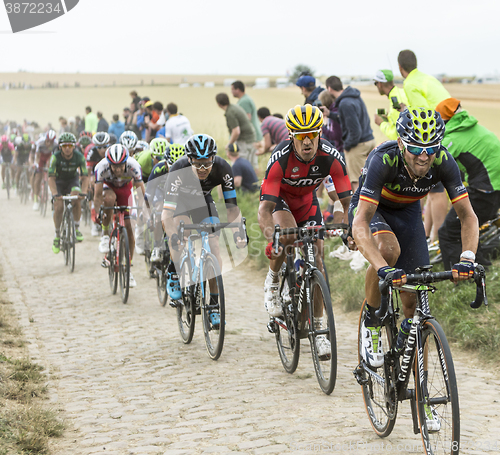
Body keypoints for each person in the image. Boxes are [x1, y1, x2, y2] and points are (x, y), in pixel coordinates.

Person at [349, 108, 478, 373]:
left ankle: (424, 395)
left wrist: (468, 258)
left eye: (431, 149)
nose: (424, 156)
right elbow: (360, 221)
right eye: (415, 148)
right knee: (387, 250)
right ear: (400, 143)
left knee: (415, 305)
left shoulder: (443, 160)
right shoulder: (383, 160)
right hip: (373, 209)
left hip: (408, 213)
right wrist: (383, 268)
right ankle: (372, 323)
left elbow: (468, 216)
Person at [258, 105, 352, 339]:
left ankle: (319, 329)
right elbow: (264, 210)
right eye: (301, 136)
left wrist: (348, 231)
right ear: (291, 136)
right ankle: (272, 281)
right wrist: (273, 239)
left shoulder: (331, 156)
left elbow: (349, 202)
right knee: (287, 235)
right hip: (280, 199)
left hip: (306, 201)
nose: (307, 141)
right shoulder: (280, 158)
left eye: (312, 134)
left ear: (320, 133)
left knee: (317, 261)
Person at [161, 134, 246, 302]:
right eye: (197, 164)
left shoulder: (223, 168)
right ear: (189, 159)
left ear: (213, 158)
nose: (202, 168)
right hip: (180, 202)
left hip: (203, 201)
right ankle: (173, 270)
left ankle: (214, 302)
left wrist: (238, 232)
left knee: (214, 245)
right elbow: (166, 215)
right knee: (182, 233)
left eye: (207, 163)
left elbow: (232, 209)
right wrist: (173, 237)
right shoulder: (178, 169)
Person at [436, 98, 500, 268]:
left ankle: (455, 276)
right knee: (470, 226)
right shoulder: (470, 126)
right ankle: (481, 267)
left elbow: (435, 163)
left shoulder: (453, 138)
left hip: (485, 191)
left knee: (449, 232)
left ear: (443, 121)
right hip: (493, 189)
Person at [94, 144, 145, 288]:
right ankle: (105, 234)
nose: (117, 169)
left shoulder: (134, 166)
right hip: (108, 187)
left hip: (125, 189)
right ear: (108, 164)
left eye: (120, 166)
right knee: (108, 200)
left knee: (129, 228)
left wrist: (142, 211)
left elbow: (141, 191)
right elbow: (97, 196)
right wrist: (98, 212)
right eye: (114, 166)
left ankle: (128, 269)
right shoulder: (101, 167)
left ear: (126, 163)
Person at [321, 76, 375, 191]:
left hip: (358, 146)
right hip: (369, 140)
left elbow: (355, 131)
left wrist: (347, 147)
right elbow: (346, 118)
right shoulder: (354, 97)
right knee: (369, 180)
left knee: (358, 184)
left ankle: (359, 209)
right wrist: (329, 113)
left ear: (329, 89)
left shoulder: (345, 103)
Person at [48, 133, 88, 253]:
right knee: (59, 206)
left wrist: (84, 192)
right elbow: (51, 178)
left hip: (72, 180)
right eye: (64, 145)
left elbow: (85, 176)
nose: (67, 148)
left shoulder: (79, 157)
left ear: (74, 146)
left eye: (70, 146)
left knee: (76, 197)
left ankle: (76, 228)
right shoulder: (55, 157)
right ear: (60, 147)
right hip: (59, 181)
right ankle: (57, 235)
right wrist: (55, 194)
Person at [146, 143, 185, 263]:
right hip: (161, 191)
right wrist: (148, 217)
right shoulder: (158, 169)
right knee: (159, 210)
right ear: (166, 163)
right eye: (172, 167)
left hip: (177, 193)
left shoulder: (188, 171)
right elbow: (148, 196)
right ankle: (157, 246)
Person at [215, 93, 257, 169]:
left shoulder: (230, 112)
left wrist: (229, 144)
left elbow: (236, 131)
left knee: (241, 165)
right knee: (253, 165)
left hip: (244, 141)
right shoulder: (234, 107)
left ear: (218, 104)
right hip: (251, 138)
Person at [373, 69, 408, 140]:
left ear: (379, 84)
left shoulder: (395, 101)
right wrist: (389, 117)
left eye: (375, 83)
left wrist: (381, 124)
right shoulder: (401, 92)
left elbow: (398, 134)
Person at [86, 132, 110, 236]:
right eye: (99, 147)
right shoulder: (91, 152)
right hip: (95, 175)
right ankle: (94, 220)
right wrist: (89, 184)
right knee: (92, 189)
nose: (102, 150)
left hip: (107, 175)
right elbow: (88, 172)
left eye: (104, 147)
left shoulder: (110, 152)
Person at [32, 130, 58, 210]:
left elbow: (55, 157)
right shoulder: (40, 142)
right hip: (41, 157)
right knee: (38, 178)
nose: (49, 144)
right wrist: (36, 164)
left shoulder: (56, 144)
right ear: (45, 139)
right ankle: (36, 201)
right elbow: (37, 155)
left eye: (51, 142)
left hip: (49, 156)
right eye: (47, 141)